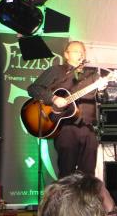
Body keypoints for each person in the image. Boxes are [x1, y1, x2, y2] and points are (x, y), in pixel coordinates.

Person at [27, 41, 105, 178]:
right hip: (66, 127)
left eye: (83, 51)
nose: (81, 54)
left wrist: (102, 90)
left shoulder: (93, 75)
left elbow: (102, 99)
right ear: (66, 55)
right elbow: (34, 89)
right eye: (76, 51)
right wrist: (53, 98)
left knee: (88, 174)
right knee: (66, 172)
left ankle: (86, 193)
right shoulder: (57, 71)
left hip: (88, 127)